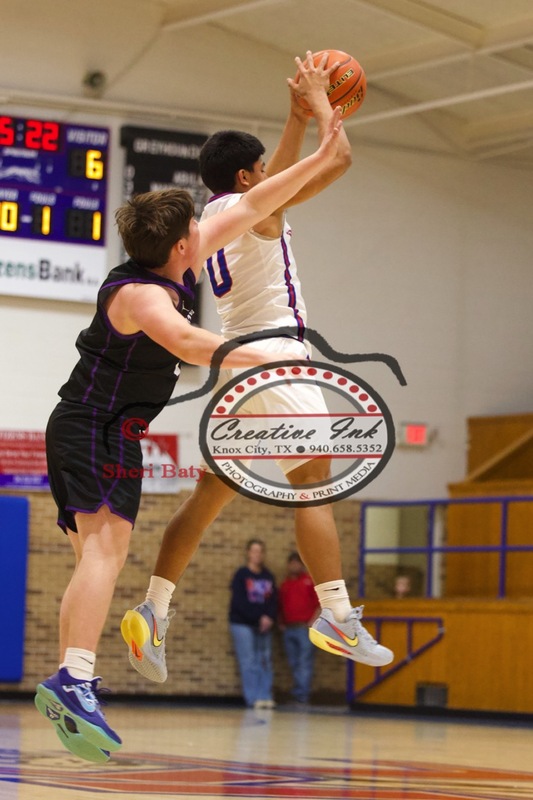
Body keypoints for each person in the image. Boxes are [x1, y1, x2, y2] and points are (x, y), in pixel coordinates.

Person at [34, 111, 345, 764]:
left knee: (98, 553)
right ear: (183, 245)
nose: (204, 234)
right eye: (195, 231)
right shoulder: (139, 295)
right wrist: (259, 357)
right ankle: (75, 679)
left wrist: (322, 152)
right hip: (92, 429)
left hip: (103, 432)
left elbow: (259, 197)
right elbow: (183, 340)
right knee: (104, 553)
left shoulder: (171, 261)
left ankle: (74, 678)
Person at [122, 51, 393, 689]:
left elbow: (291, 172)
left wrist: (293, 114)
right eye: (264, 169)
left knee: (212, 491)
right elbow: (339, 156)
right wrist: (324, 101)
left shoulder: (213, 216)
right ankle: (335, 615)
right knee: (316, 482)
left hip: (232, 362)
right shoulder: (257, 209)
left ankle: (154, 608)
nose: (274, 172)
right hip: (275, 358)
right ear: (249, 176)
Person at [229, 539, 277, 709]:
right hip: (242, 623)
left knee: (264, 659)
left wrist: (269, 617)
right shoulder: (241, 575)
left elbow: (273, 601)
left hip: (264, 625)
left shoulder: (268, 576)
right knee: (249, 661)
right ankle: (253, 697)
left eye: (260, 551)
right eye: (254, 551)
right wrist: (258, 618)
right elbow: (239, 602)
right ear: (248, 553)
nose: (257, 554)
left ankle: (265, 695)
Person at [278, 552, 320, 706]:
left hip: (305, 628)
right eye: (292, 563)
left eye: (297, 563)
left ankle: (302, 695)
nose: (294, 566)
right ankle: (298, 692)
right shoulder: (285, 584)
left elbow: (319, 604)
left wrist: (312, 622)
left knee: (304, 662)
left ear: (301, 565)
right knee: (294, 662)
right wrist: (281, 622)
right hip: (289, 628)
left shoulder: (309, 581)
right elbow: (281, 605)